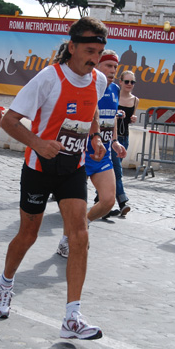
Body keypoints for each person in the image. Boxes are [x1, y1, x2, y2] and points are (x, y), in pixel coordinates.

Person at [0, 17, 108, 340]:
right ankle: (4, 282)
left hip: (72, 167)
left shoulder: (98, 80)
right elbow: (9, 121)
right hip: (39, 168)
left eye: (98, 52)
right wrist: (40, 144)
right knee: (28, 235)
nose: (94, 59)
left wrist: (95, 137)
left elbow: (92, 109)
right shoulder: (49, 78)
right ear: (71, 47)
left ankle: (72, 317)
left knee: (79, 235)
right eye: (88, 51)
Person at [57, 50, 127, 258]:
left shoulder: (115, 89)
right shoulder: (87, 86)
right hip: (81, 151)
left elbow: (112, 117)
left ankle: (82, 226)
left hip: (102, 154)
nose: (113, 71)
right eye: (108, 66)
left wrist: (114, 141)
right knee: (75, 205)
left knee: (108, 200)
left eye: (115, 67)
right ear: (97, 66)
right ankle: (67, 240)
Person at [109, 70, 139, 217]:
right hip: (111, 137)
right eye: (126, 81)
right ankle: (122, 202)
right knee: (116, 170)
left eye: (132, 82)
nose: (129, 85)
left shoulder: (135, 100)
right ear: (120, 82)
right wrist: (117, 114)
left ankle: (100, 200)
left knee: (112, 170)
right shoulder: (114, 95)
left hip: (123, 137)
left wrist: (132, 118)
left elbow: (130, 119)